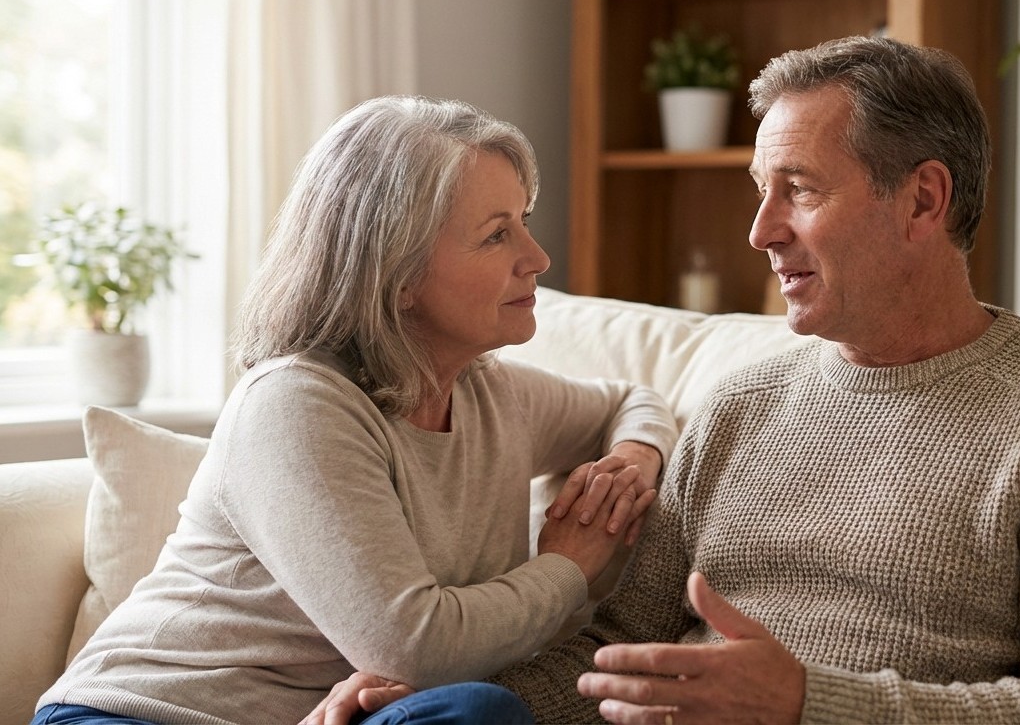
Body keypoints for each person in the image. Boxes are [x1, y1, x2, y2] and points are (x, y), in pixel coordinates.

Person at [310, 37, 1020, 724]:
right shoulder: (741, 406)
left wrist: (806, 706)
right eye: (757, 191)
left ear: (922, 200)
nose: (759, 231)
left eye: (798, 189)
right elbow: (619, 647)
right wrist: (417, 701)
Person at [33, 96, 679, 725]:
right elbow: (416, 647)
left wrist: (632, 457)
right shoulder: (295, 405)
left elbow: (630, 400)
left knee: (481, 711)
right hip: (145, 713)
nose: (536, 259)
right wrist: (568, 566)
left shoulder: (493, 393)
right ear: (395, 276)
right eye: (496, 236)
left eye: (525, 221)